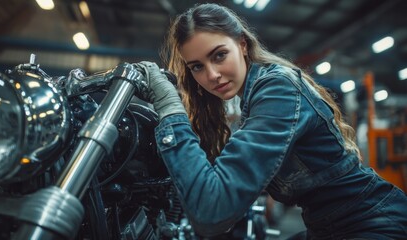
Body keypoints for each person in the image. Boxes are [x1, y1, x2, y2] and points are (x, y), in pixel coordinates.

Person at [134, 3, 407, 239]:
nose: (212, 74)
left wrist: (170, 109)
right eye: (197, 66)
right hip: (328, 227)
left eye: (219, 55)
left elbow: (211, 211)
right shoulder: (252, 99)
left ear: (242, 44)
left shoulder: (278, 88)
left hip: (372, 224)